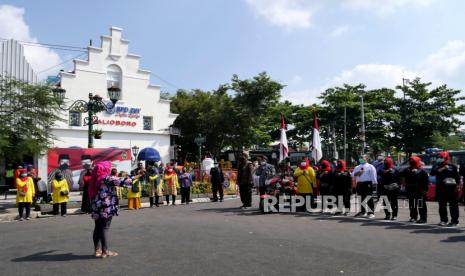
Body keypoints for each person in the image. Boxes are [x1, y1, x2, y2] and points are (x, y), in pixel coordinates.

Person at [89, 161, 132, 258]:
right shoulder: (107, 179)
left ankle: (97, 250)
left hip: (96, 206)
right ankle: (105, 251)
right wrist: (137, 176)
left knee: (97, 227)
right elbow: (125, 181)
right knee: (105, 228)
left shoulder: (94, 179)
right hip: (106, 207)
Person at [431, 152, 460, 227]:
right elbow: (432, 173)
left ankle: (454, 221)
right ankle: (443, 220)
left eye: (441, 157)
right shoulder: (436, 165)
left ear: (446, 157)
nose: (439, 158)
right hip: (441, 188)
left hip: (451, 188)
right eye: (438, 157)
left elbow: (457, 178)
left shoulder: (452, 166)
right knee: (442, 205)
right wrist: (443, 168)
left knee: (453, 206)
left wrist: (458, 186)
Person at [400, 156, 429, 223]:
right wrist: (408, 170)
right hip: (410, 189)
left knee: (421, 205)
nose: (411, 162)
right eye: (410, 161)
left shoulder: (422, 171)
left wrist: (425, 190)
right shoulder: (407, 169)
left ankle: (423, 218)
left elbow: (426, 181)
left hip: (419, 190)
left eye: (413, 161)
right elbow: (400, 174)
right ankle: (413, 217)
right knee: (412, 204)